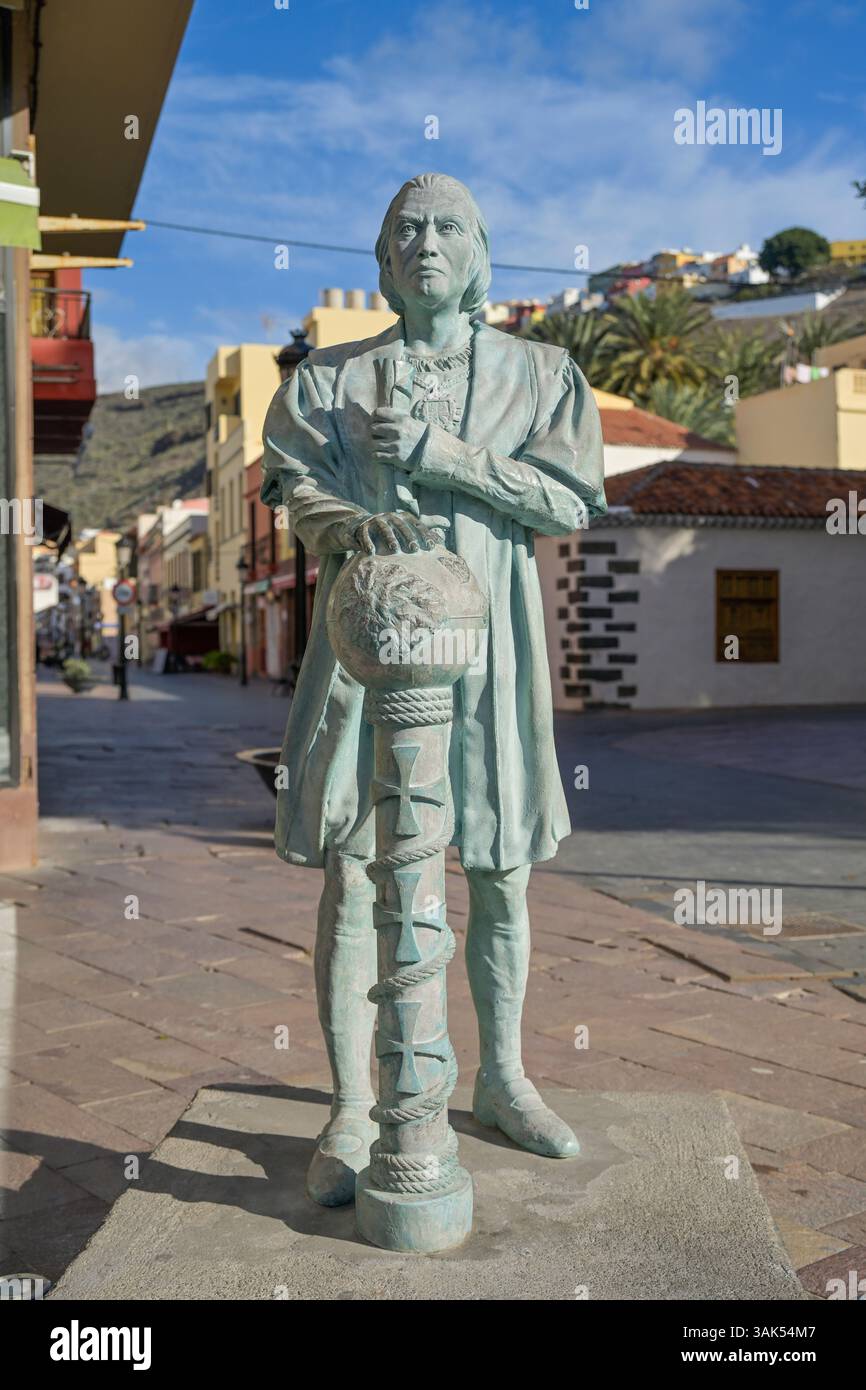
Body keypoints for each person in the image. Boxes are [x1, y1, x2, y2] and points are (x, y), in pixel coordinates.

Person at [261, 173, 606, 1206]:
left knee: (501, 868)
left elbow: (566, 499)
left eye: (446, 227)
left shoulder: (541, 373)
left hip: (491, 650)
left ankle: (501, 1077)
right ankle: (351, 1108)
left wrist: (444, 457)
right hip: (365, 647)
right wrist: (340, 522)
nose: (424, 243)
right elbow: (294, 488)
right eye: (403, 229)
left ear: (479, 254)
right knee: (354, 869)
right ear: (380, 259)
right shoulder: (327, 381)